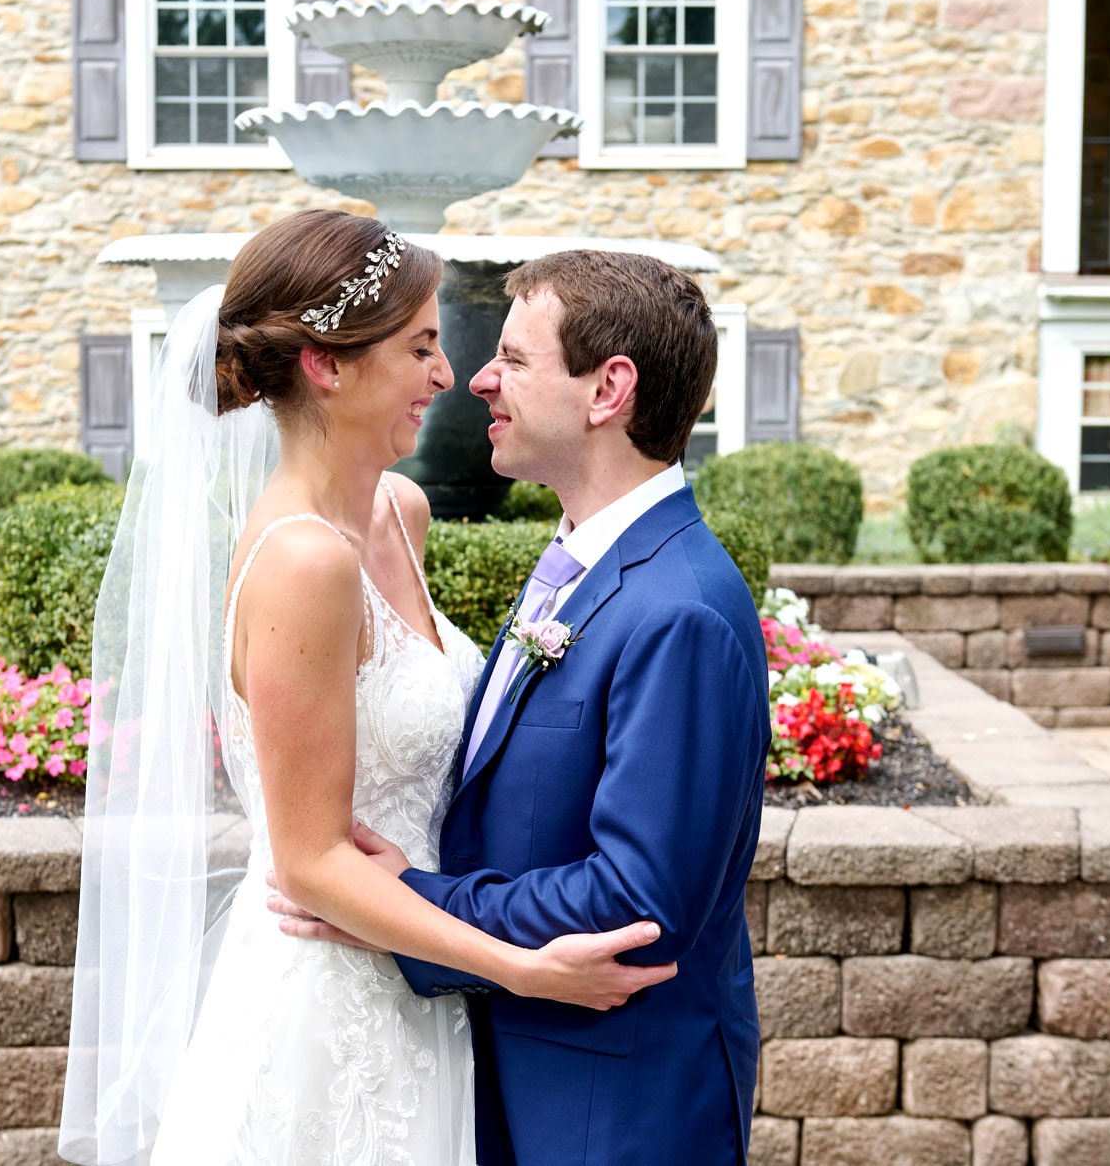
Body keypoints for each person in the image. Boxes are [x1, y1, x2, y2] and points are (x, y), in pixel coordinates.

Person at [60, 214, 675, 1166]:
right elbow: (310, 863)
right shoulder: (303, 561)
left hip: (425, 979)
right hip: (331, 1003)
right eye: (421, 346)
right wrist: (520, 968)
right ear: (326, 366)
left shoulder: (402, 511)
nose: (447, 375)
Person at [268, 248, 770, 1166]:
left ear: (607, 389)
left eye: (517, 359)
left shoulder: (680, 611)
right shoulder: (585, 563)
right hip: (509, 1068)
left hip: (614, 1105)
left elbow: (638, 898)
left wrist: (411, 903)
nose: (480, 378)